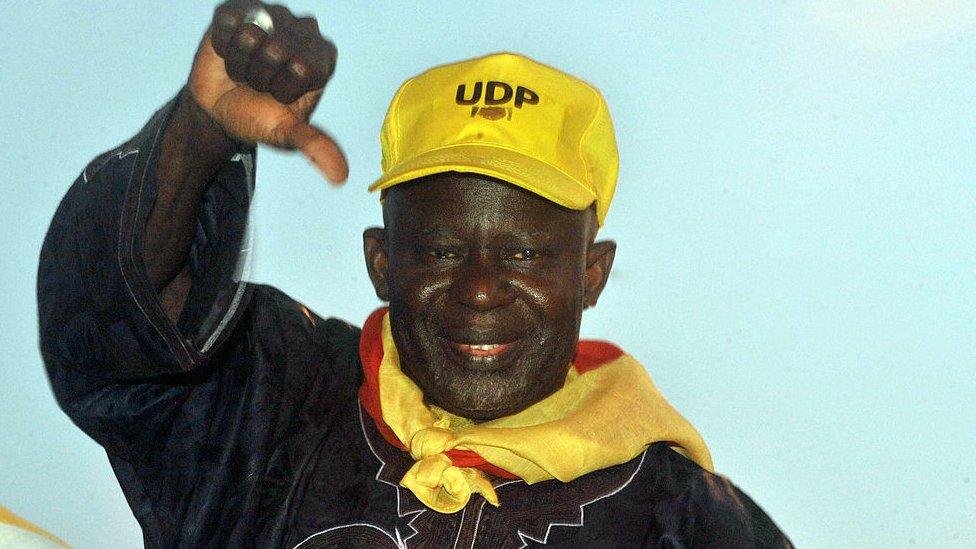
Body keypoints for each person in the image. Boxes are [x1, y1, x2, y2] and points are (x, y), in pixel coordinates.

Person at [38, 2, 792, 547]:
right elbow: (115, 338)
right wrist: (199, 135)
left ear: (591, 274)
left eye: (526, 254)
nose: (481, 288)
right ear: (380, 261)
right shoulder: (279, 401)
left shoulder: (685, 519)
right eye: (438, 250)